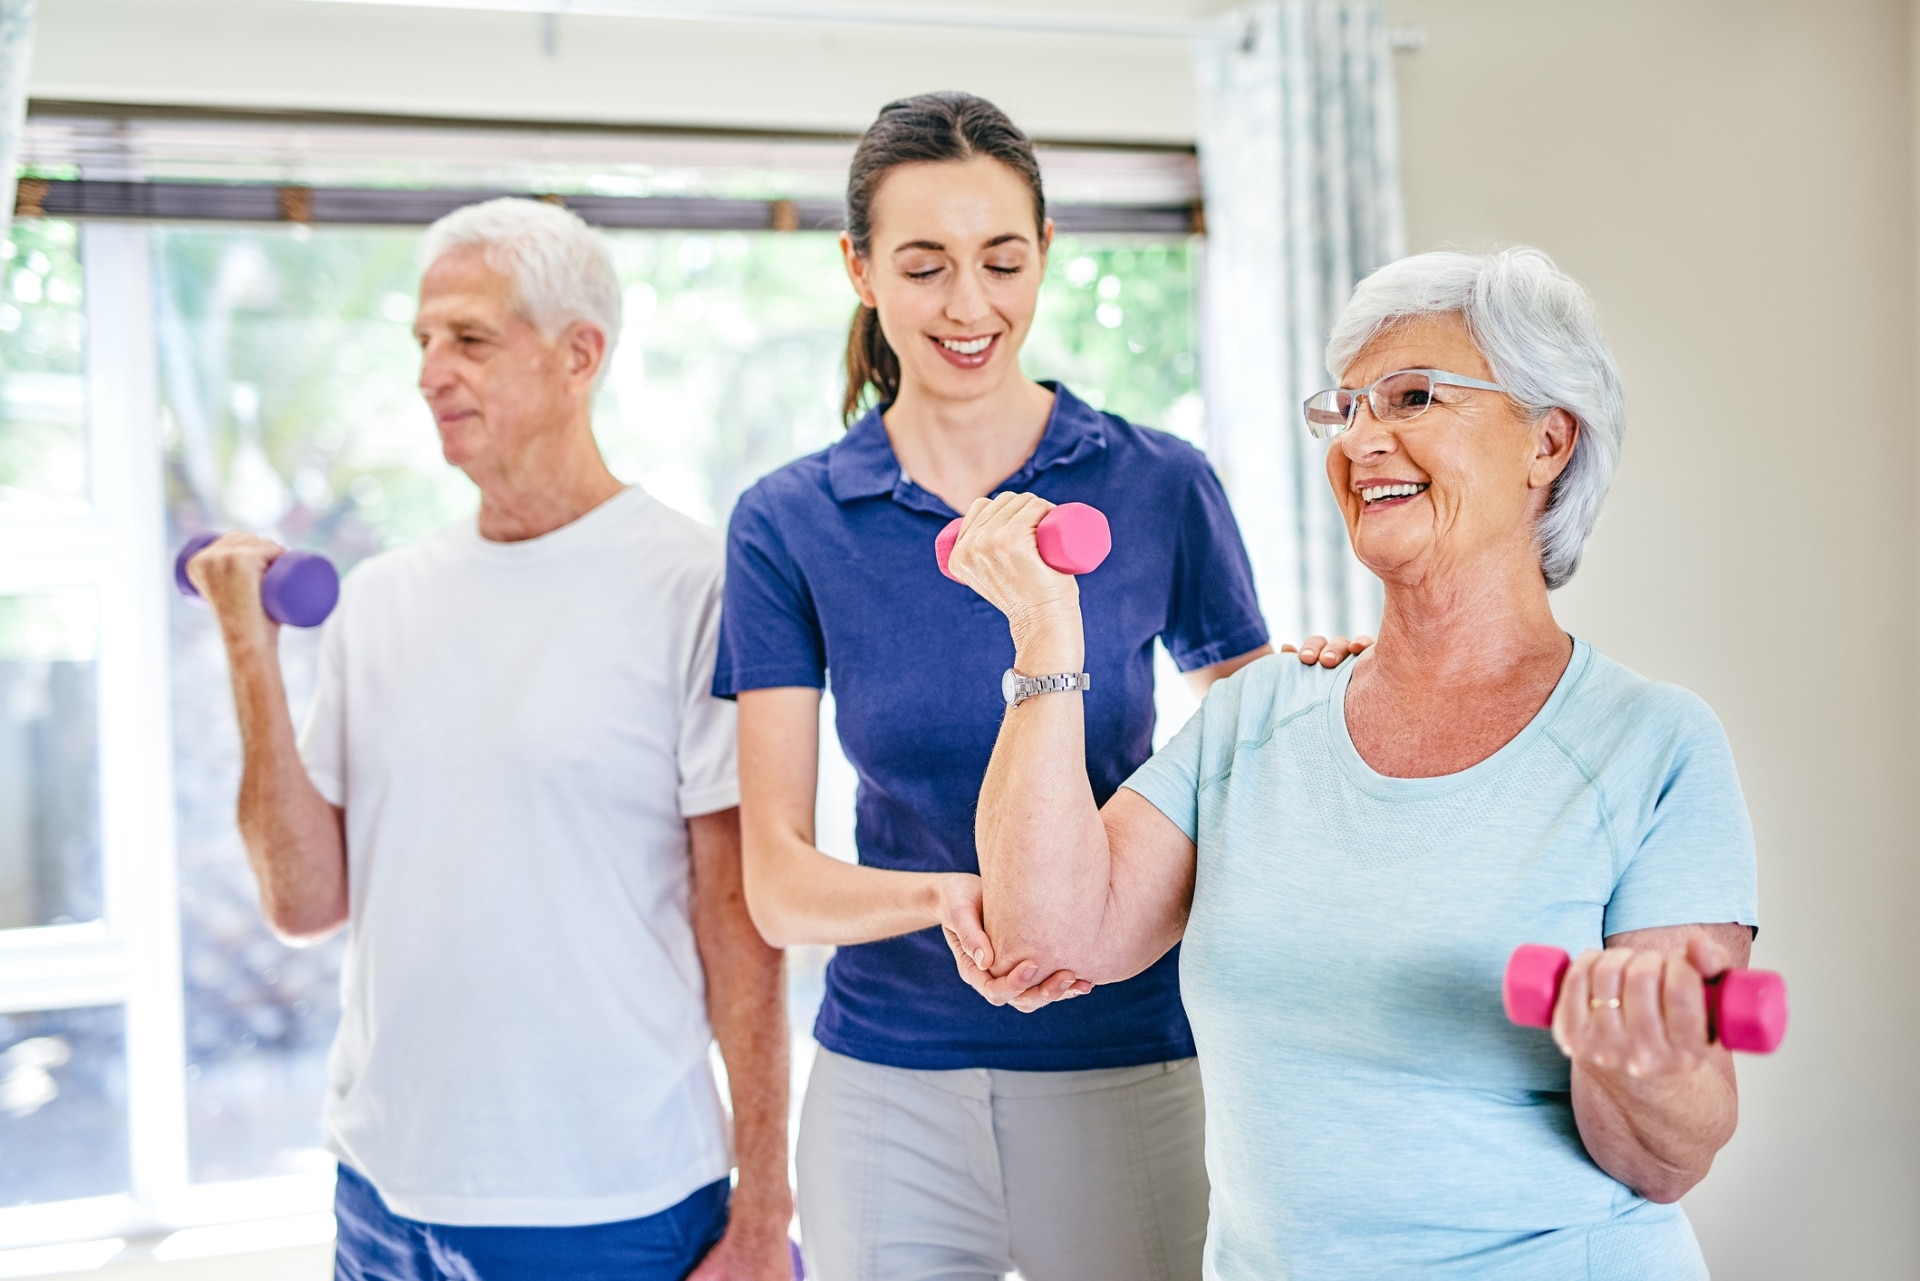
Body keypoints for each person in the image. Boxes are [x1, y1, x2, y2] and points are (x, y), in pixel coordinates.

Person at [952, 247, 1760, 1279]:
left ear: (1547, 440)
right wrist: (1044, 631)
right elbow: (1046, 932)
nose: (1362, 440)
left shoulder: (1653, 745)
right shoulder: (1255, 721)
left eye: (1413, 398)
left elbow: (1670, 1155)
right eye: (1347, 409)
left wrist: (1630, 1056)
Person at [712, 91, 1356, 1281]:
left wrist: (1315, 702)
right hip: (885, 1085)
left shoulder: (1160, 484)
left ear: (1047, 254)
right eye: (924, 266)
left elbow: (1255, 778)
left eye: (1003, 261)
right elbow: (777, 884)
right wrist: (963, 900)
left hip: (1132, 1061)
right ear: (859, 271)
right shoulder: (790, 524)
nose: (970, 306)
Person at [184, 198, 793, 1281]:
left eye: (468, 338)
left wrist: (763, 1212)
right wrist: (249, 650)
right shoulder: (380, 601)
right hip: (382, 1190)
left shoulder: (696, 585)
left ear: (578, 355)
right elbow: (301, 899)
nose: (430, 371)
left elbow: (739, 921)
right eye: (420, 341)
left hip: (615, 1198)